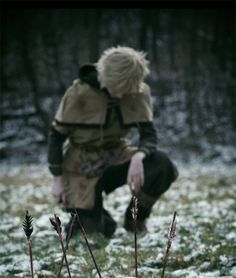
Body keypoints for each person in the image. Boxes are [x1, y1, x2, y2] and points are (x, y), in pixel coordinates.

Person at [48, 46, 178, 238]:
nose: (119, 96)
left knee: (161, 165)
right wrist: (58, 179)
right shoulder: (78, 93)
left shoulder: (137, 92)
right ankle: (88, 218)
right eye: (116, 88)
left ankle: (135, 220)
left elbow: (148, 134)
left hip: (116, 154)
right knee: (95, 233)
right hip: (81, 163)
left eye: (125, 91)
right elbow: (56, 137)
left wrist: (138, 157)